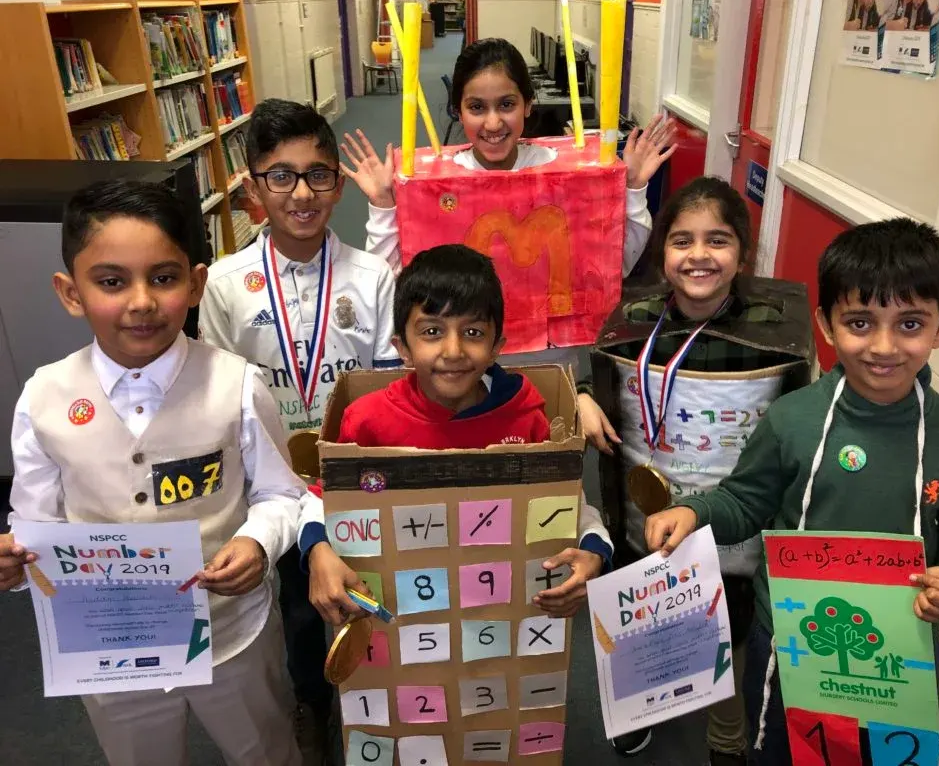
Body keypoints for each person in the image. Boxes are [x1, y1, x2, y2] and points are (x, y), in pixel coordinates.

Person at [644, 218, 939, 765]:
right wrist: (694, 511)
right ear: (826, 326)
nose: (883, 346)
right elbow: (745, 501)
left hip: (898, 648)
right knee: (780, 753)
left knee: (881, 756)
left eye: (910, 324)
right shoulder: (793, 418)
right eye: (860, 322)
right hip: (788, 640)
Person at [0, 179, 309, 766]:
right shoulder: (43, 397)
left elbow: (280, 493)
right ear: (70, 292)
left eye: (164, 278)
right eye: (111, 282)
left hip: (230, 634)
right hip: (109, 644)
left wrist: (257, 541)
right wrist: (16, 562)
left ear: (195, 284)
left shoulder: (237, 384)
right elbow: (36, 522)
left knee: (265, 750)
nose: (141, 302)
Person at [199, 98, 401, 765]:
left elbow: (386, 389)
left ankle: (370, 701)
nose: (302, 193)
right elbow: (218, 398)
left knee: (364, 589)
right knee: (290, 607)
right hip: (271, 483)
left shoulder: (374, 278)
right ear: (252, 189)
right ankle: (311, 701)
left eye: (318, 175)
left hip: (355, 474)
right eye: (280, 176)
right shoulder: (226, 285)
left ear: (338, 185)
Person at [575, 177, 805, 762]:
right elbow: (595, 369)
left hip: (732, 519)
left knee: (727, 623)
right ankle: (640, 707)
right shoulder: (635, 320)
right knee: (644, 610)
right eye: (682, 241)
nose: (699, 255)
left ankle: (725, 734)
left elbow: (803, 403)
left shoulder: (773, 333)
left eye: (717, 240)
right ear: (662, 253)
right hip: (645, 511)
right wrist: (581, 394)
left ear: (742, 253)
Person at [298, 245, 614, 627]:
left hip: (498, 614)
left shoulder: (525, 418)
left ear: (497, 347)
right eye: (432, 331)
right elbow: (322, 499)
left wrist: (594, 549)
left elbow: (566, 502)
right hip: (401, 616)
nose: (453, 350)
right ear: (403, 349)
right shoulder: (367, 421)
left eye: (473, 332)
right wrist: (317, 549)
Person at [339, 37, 676, 281]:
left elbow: (616, 266)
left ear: (528, 104)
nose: (493, 123)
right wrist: (383, 205)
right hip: (469, 349)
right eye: (476, 107)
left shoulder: (561, 171)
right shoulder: (436, 184)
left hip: (553, 349)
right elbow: (394, 278)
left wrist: (633, 188)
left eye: (506, 105)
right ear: (458, 111)